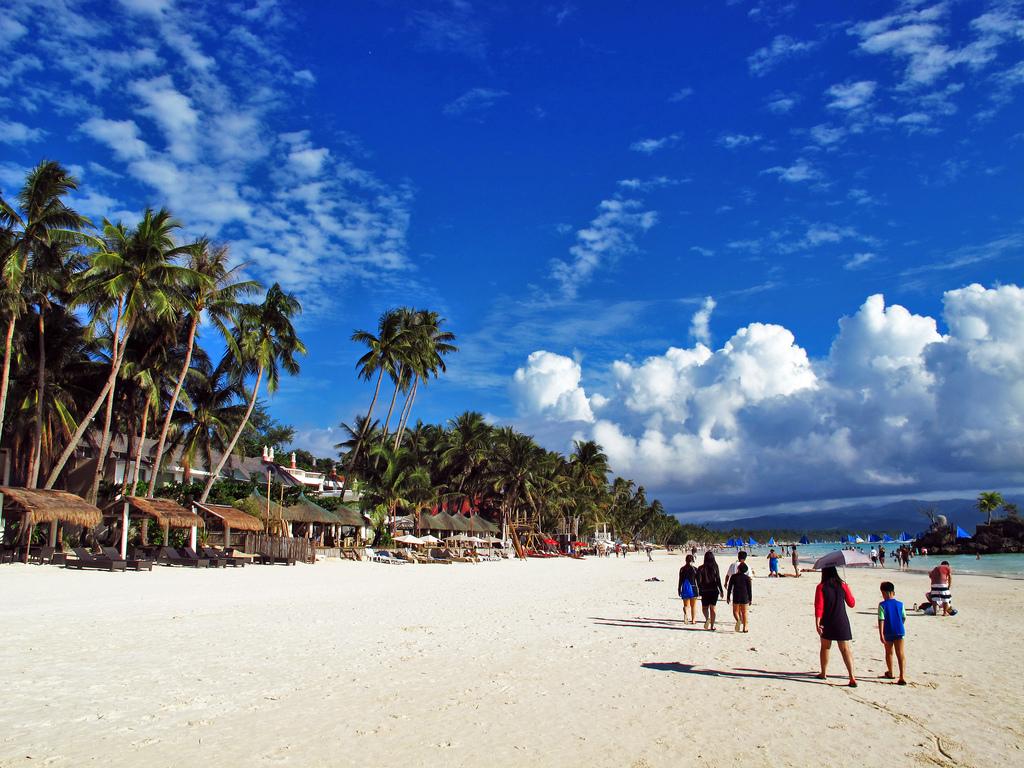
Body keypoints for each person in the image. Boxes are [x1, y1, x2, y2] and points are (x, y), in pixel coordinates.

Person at [814, 566, 857, 687]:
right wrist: (848, 588)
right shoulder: (843, 585)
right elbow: (852, 603)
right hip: (841, 620)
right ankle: (852, 677)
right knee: (845, 649)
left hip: (827, 620)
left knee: (825, 647)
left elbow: (819, 607)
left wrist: (817, 623)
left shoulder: (821, 587)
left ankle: (823, 673)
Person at [877, 581, 907, 685]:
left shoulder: (882, 605)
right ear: (893, 592)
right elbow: (904, 617)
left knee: (889, 653)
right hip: (899, 630)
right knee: (901, 654)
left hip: (888, 631)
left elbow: (881, 619)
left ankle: (890, 672)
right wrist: (900, 624)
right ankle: (902, 676)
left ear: (884, 593)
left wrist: (881, 634)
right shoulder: (900, 604)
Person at [697, 551, 724, 630]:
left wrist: (699, 589)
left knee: (704, 608)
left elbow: (699, 581)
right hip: (714, 590)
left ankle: (707, 618)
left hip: (704, 590)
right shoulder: (715, 566)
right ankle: (712, 625)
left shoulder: (700, 568)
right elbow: (718, 579)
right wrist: (721, 590)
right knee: (713, 608)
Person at [727, 562, 752, 632]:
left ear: (738, 568)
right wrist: (750, 599)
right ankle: (745, 627)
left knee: (735, 611)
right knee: (744, 612)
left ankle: (738, 620)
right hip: (744, 596)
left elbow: (729, 587)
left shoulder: (733, 576)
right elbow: (749, 589)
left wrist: (728, 596)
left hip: (736, 595)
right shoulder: (747, 578)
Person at [678, 554, 699, 624]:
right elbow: (698, 581)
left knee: (686, 605)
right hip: (693, 588)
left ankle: (686, 614)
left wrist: (679, 589)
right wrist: (700, 589)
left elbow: (680, 580)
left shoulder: (682, 569)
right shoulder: (695, 569)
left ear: (685, 560)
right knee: (693, 606)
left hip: (684, 588)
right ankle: (693, 620)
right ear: (692, 560)